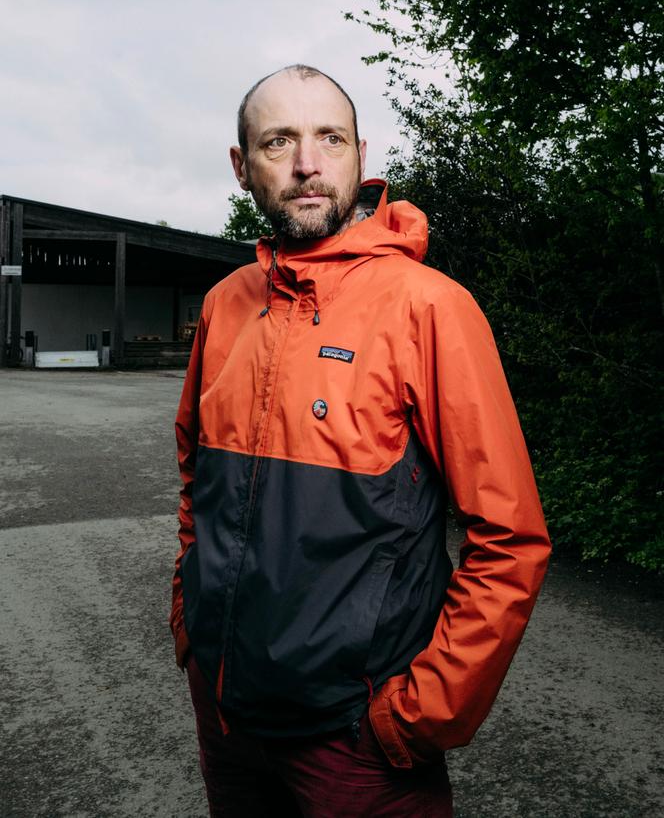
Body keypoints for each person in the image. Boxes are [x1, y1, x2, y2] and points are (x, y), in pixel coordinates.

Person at [171, 64, 551, 817]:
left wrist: (423, 713)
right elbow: (196, 477)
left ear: (360, 153)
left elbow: (510, 538)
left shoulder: (431, 308)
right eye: (280, 141)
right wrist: (192, 618)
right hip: (225, 711)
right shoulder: (223, 306)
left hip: (356, 741)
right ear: (242, 165)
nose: (309, 163)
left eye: (330, 139)